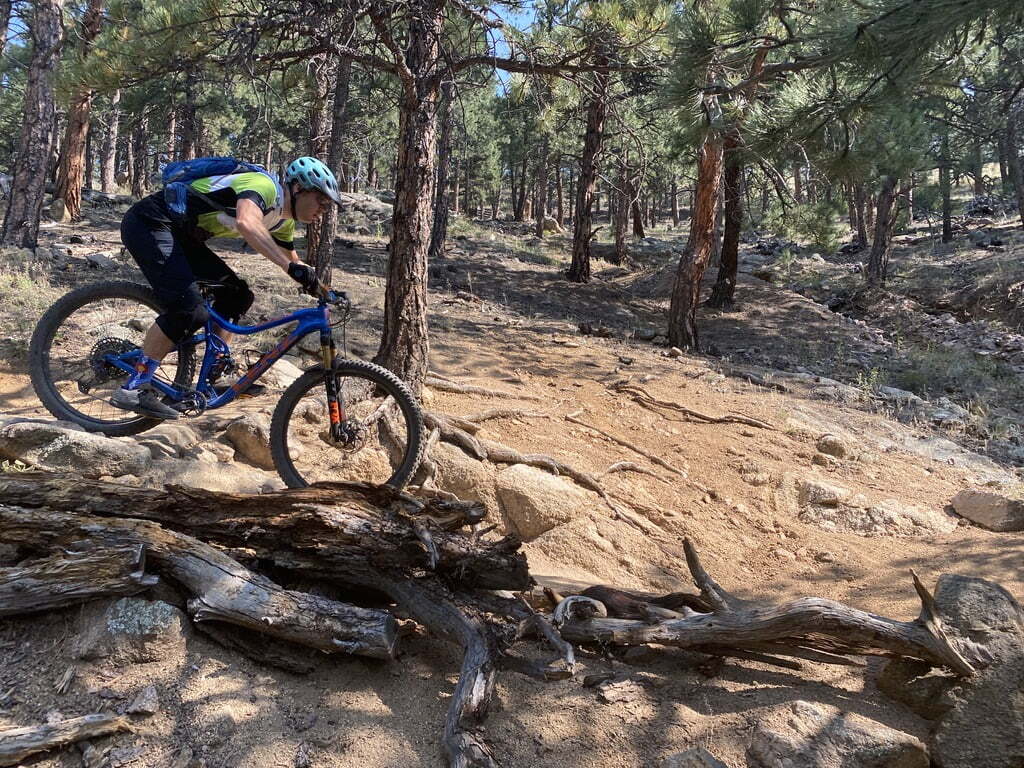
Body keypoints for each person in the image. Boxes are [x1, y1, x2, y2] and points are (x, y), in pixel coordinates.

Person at [112, 156, 342, 420]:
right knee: (189, 311)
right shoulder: (264, 186)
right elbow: (247, 222)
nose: (323, 210)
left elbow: (294, 263)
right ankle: (134, 386)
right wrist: (290, 268)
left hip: (181, 235)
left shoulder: (283, 221)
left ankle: (212, 372)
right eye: (322, 201)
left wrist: (326, 291)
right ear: (299, 189)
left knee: (237, 295)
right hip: (149, 223)